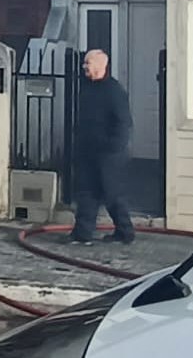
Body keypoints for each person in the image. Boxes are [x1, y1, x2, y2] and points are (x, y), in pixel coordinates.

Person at [69, 49, 135, 246]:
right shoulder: (87, 88)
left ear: (100, 65)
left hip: (109, 154)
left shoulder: (114, 91)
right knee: (87, 192)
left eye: (88, 63)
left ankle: (125, 232)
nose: (84, 67)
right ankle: (82, 234)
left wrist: (114, 147)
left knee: (112, 193)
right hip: (88, 151)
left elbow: (124, 122)